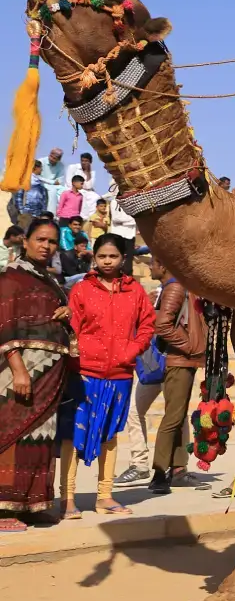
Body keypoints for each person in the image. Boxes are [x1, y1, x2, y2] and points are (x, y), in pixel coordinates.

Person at [59, 234, 156, 516]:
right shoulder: (81, 289)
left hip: (120, 374)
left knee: (111, 435)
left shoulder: (135, 291)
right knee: (72, 435)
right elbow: (72, 329)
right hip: (84, 372)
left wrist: (131, 350)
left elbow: (147, 326)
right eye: (102, 256)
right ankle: (67, 499)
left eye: (113, 256)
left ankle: (105, 496)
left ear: (123, 259)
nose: (107, 261)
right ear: (94, 258)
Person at [0, 220, 72, 529]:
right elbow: (4, 325)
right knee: (13, 435)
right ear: (24, 241)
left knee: (41, 436)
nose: (46, 246)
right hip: (21, 369)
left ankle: (33, 504)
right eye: (40, 239)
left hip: (50, 372)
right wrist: (18, 370)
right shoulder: (10, 277)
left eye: (52, 242)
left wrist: (68, 311)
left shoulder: (50, 280)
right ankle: (5, 508)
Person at [147, 263, 205, 493]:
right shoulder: (176, 288)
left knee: (179, 415)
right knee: (173, 417)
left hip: (184, 360)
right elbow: (162, 325)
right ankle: (159, 474)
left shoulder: (178, 286)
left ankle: (178, 469)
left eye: (152, 262)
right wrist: (188, 345)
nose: (150, 267)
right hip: (179, 360)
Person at [107, 181, 138, 276]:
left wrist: (129, 220)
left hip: (129, 235)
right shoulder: (114, 202)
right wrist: (130, 220)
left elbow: (136, 218)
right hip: (117, 235)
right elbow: (116, 219)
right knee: (116, 259)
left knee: (128, 263)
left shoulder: (133, 202)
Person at [18, 161, 49, 228]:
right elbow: (19, 196)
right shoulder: (26, 180)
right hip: (27, 214)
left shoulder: (40, 182)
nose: (42, 169)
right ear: (35, 168)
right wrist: (22, 211)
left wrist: (43, 213)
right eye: (41, 167)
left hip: (38, 215)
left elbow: (44, 199)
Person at [39, 148, 65, 214]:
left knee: (65, 191)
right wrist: (52, 182)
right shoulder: (41, 161)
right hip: (41, 183)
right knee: (52, 191)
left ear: (59, 159)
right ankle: (51, 213)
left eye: (54, 158)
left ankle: (61, 213)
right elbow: (37, 176)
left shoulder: (61, 165)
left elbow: (59, 181)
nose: (51, 159)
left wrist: (53, 183)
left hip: (54, 185)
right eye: (51, 156)